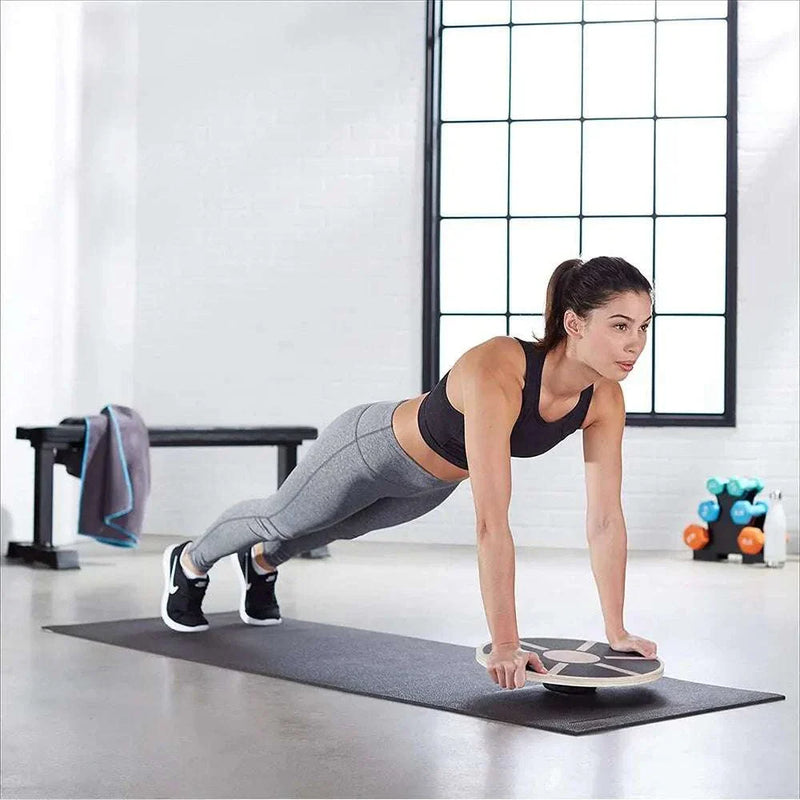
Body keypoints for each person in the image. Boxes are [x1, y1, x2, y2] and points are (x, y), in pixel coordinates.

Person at [161, 255, 658, 690]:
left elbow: (605, 521)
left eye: (643, 326)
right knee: (282, 517)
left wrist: (616, 630)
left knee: (335, 528)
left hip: (429, 485)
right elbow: (491, 522)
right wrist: (505, 643)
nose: (635, 343)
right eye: (619, 326)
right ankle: (189, 561)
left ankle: (262, 564)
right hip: (369, 447)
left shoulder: (605, 400)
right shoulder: (500, 366)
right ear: (573, 323)